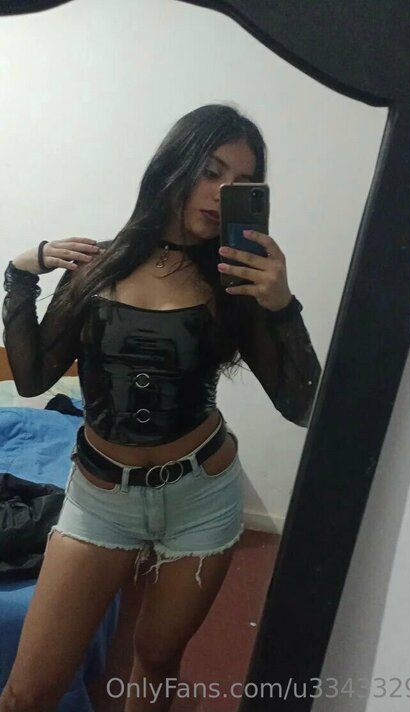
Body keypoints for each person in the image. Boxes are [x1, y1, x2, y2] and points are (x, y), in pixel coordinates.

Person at [0, 104, 321, 712]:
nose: (221, 193)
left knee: (155, 662)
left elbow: (303, 404)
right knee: (26, 692)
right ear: (174, 166)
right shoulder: (96, 267)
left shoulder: (237, 282)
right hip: (100, 499)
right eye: (210, 171)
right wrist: (20, 276)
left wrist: (282, 304)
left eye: (241, 183)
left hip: (201, 494)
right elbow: (35, 377)